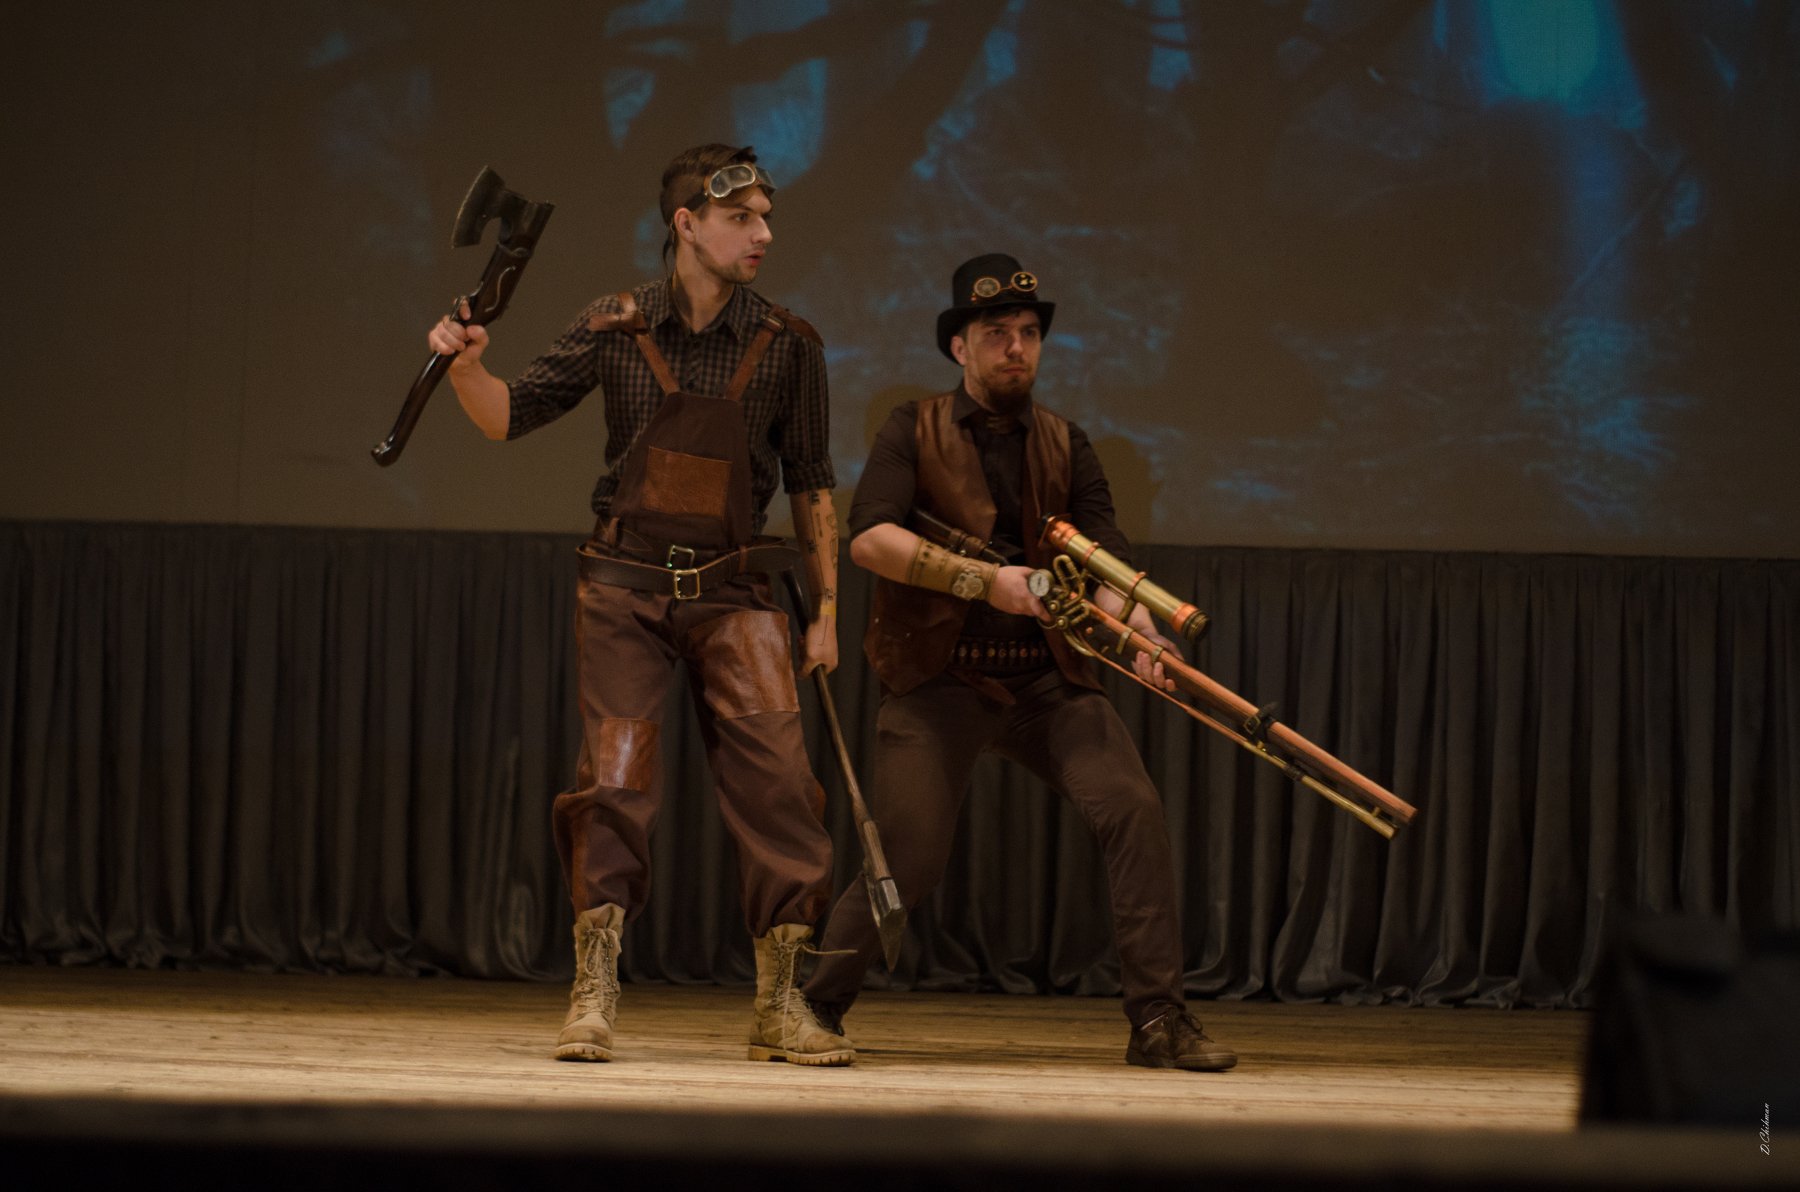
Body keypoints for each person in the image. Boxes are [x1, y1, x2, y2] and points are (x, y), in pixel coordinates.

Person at [427, 144, 852, 1066]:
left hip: (737, 591)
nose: (763, 234)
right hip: (626, 589)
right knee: (613, 781)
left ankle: (780, 1002)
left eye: (766, 217)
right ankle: (594, 991)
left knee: (781, 786)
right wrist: (464, 367)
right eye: (740, 217)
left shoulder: (790, 344)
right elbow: (509, 414)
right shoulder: (613, 325)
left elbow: (813, 482)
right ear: (686, 224)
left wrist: (825, 610)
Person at [801, 253, 1236, 1071]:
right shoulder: (911, 427)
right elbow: (869, 539)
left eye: (1029, 333)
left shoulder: (1067, 443)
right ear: (958, 346)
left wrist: (1143, 634)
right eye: (997, 332)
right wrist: (982, 580)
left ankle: (1159, 1020)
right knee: (910, 853)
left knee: (1133, 809)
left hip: (1045, 683)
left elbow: (1109, 564)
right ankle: (814, 1003)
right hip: (939, 680)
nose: (1016, 347)